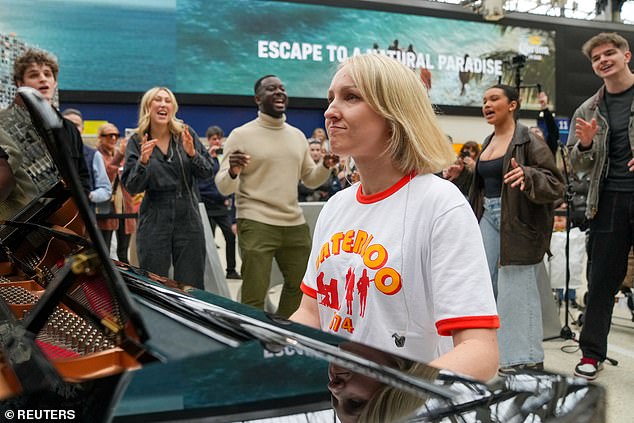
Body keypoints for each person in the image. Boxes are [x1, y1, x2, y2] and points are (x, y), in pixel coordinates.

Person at [290, 53, 500, 382]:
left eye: (351, 97)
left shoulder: (441, 205)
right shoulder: (336, 206)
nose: (330, 110)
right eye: (331, 98)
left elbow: (480, 351)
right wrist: (272, 353)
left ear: (394, 112)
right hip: (339, 402)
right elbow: (311, 312)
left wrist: (393, 400)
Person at [215, 74, 337, 318]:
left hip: (294, 223)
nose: (280, 92)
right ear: (258, 99)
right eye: (272, 89)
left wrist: (324, 166)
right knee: (254, 293)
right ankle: (253, 343)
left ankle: (283, 331)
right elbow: (223, 187)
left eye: (282, 88)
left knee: (302, 287)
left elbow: (310, 179)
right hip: (256, 222)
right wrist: (233, 170)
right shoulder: (241, 135)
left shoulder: (297, 136)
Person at [469, 84, 564, 375]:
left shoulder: (528, 140)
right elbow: (483, 187)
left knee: (516, 289)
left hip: (520, 222)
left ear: (512, 105)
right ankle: (495, 351)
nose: (487, 104)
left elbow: (556, 184)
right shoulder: (487, 141)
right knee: (484, 286)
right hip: (490, 216)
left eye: (494, 99)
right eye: (484, 100)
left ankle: (524, 359)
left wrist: (529, 174)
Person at [567, 32, 634, 380]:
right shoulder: (587, 110)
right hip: (607, 202)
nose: (603, 60)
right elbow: (575, 166)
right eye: (596, 58)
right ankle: (592, 354)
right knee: (602, 282)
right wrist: (586, 146)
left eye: (610, 53)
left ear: (627, 55)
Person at [122, 87, 214, 289]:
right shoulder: (137, 141)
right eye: (157, 100)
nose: (163, 104)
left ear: (173, 108)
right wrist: (143, 162)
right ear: (148, 106)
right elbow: (132, 187)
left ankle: (189, 319)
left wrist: (192, 154)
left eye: (168, 100)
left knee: (191, 283)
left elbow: (208, 172)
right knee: (154, 283)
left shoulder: (186, 135)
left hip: (188, 216)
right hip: (155, 216)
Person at [0, 48, 91, 199]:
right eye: (34, 75)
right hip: (23, 217)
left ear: (55, 82)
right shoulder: (3, 124)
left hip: (70, 215)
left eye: (47, 74)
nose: (43, 79)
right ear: (19, 83)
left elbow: (83, 174)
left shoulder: (68, 128)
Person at [198, 125, 240, 279]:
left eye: (219, 138)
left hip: (222, 207)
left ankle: (231, 270)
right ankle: (206, 273)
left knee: (230, 236)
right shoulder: (203, 158)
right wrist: (209, 157)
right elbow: (201, 183)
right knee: (207, 242)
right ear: (208, 140)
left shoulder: (226, 158)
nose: (216, 141)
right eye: (213, 138)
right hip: (206, 206)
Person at [95, 123, 136, 263]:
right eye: (109, 135)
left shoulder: (121, 154)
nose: (113, 138)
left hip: (125, 208)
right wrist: (120, 155)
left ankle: (127, 283)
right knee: (105, 251)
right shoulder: (97, 156)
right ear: (100, 137)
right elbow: (106, 176)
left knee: (124, 253)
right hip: (107, 208)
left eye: (116, 135)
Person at [61, 108, 111, 211]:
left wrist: (88, 195)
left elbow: (106, 189)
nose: (72, 128)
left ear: (82, 129)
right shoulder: (52, 152)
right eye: (67, 124)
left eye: (76, 125)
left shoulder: (94, 155)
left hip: (84, 216)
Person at [530, 91, 560, 155]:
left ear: (543, 135)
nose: (535, 134)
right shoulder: (527, 152)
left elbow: (552, 130)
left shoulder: (549, 148)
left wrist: (544, 107)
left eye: (537, 131)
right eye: (532, 133)